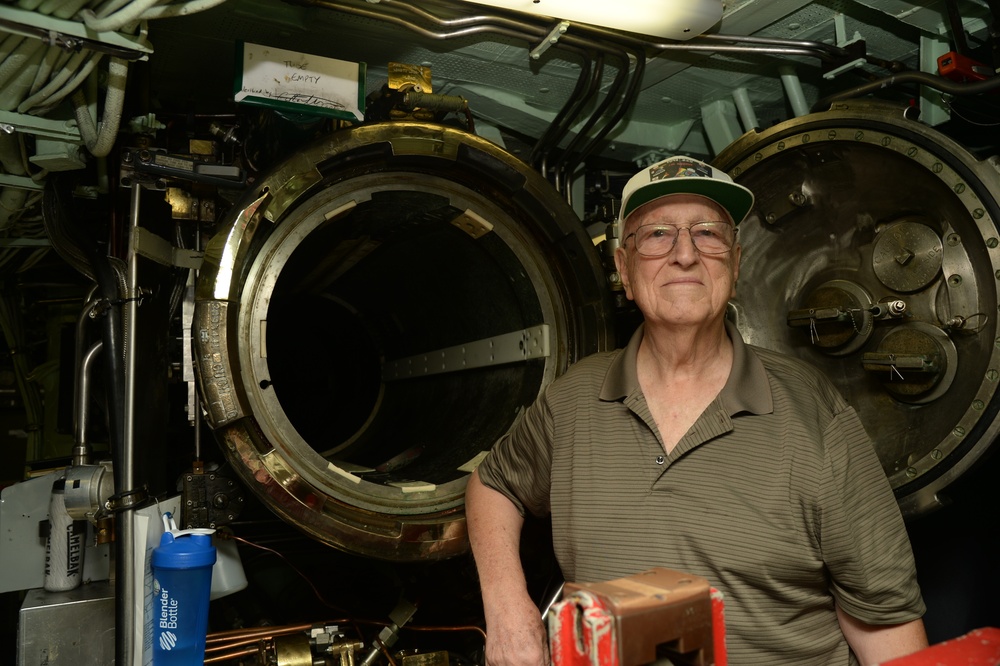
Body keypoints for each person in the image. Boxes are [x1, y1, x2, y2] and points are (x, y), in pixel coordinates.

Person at [466, 155, 928, 666]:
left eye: (707, 234)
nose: (684, 254)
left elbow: (887, 623)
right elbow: (493, 486)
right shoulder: (573, 399)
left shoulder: (813, 412)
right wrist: (509, 611)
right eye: (657, 234)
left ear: (736, 262)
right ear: (623, 267)